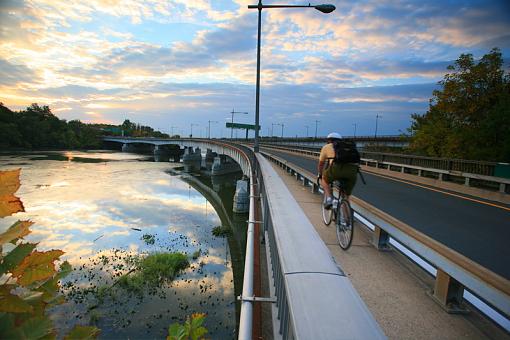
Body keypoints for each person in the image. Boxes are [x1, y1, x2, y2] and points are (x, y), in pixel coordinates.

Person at [318, 132, 359, 209]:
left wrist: (320, 174)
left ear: (329, 140)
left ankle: (330, 199)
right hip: (352, 171)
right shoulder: (349, 147)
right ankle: (346, 220)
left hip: (336, 169)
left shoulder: (326, 147)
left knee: (324, 179)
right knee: (345, 197)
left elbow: (321, 164)